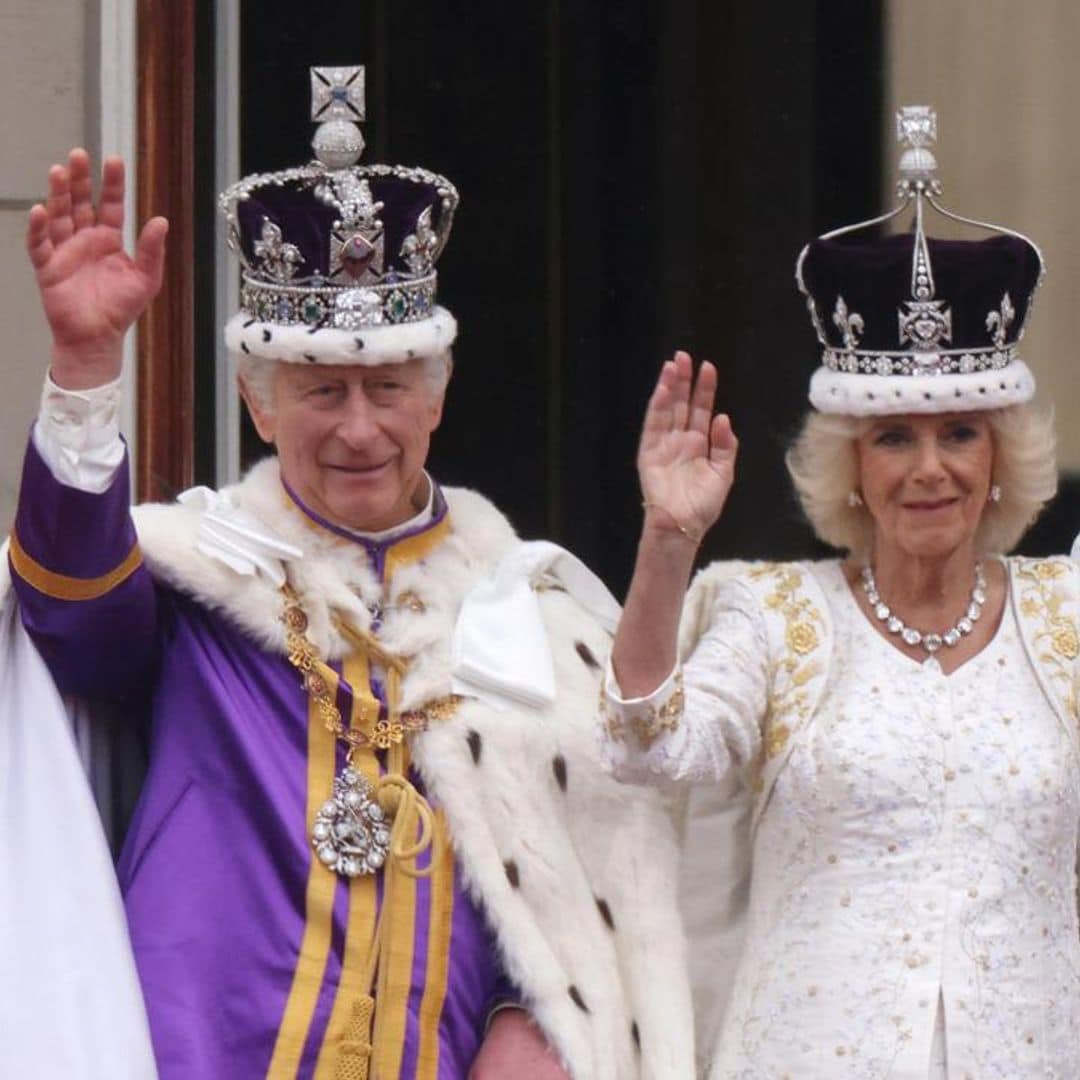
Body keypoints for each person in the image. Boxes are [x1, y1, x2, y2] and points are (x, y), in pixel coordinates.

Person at [7, 65, 694, 1079]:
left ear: (438, 399)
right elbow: (69, 609)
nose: (360, 428)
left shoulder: (526, 608)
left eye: (388, 388)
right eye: (321, 390)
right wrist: (83, 365)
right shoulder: (199, 582)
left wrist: (541, 1015)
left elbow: (587, 868)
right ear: (259, 406)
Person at [601, 107, 1079, 1078]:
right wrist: (667, 541)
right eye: (894, 437)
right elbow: (648, 746)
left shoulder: (1067, 618)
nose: (929, 469)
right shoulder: (775, 615)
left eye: (960, 435)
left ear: (1000, 459)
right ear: (851, 466)